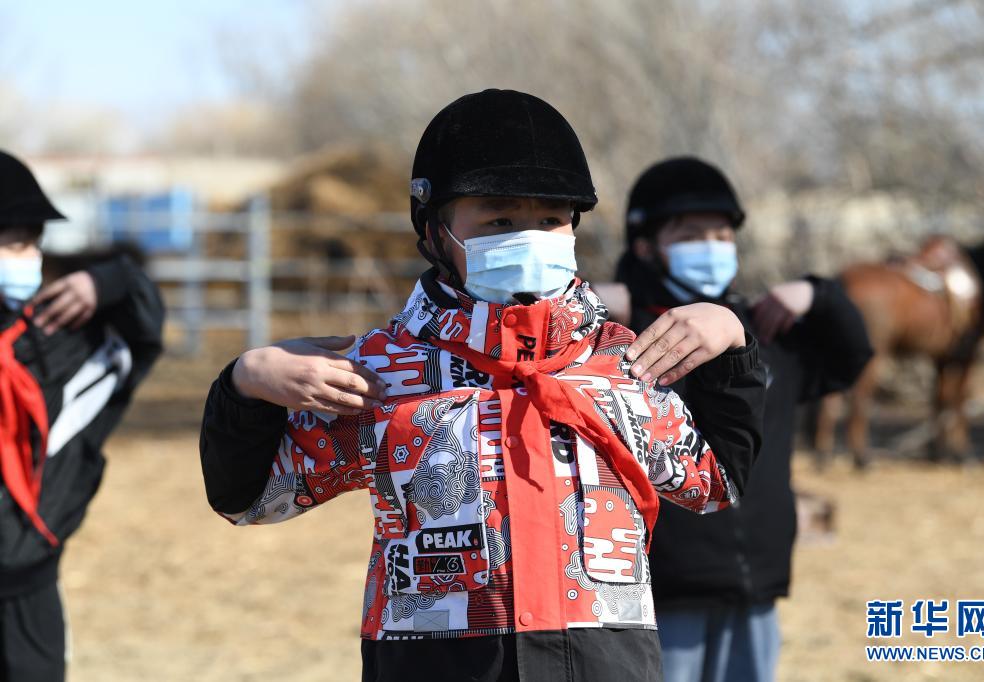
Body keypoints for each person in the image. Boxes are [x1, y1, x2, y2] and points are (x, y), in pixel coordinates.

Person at [199, 90, 766, 682]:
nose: (529, 236)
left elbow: (714, 485)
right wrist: (245, 386)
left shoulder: (621, 363)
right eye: (499, 220)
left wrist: (733, 344)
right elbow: (250, 501)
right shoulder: (380, 374)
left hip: (601, 665)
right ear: (435, 228)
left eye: (550, 219)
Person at [600, 157, 873, 682]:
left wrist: (819, 293)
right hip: (656, 592)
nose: (712, 247)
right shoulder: (619, 337)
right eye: (690, 235)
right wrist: (594, 299)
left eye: (723, 235)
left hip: (755, 584)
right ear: (645, 246)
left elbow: (852, 356)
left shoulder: (761, 333)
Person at [0, 150, 165, 681]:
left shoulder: (50, 338)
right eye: (10, 242)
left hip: (30, 585)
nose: (25, 257)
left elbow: (143, 331)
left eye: (31, 242)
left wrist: (113, 280)